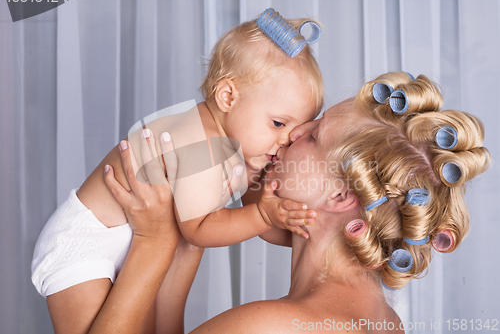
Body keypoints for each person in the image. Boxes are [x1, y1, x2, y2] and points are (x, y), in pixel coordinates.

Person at [102, 71, 489, 333]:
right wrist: (186, 242)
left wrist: (153, 244)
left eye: (314, 136)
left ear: (340, 196)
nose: (292, 133)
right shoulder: (387, 322)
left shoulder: (269, 325)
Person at [31, 9, 324, 332]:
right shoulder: (202, 143)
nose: (285, 140)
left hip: (140, 240)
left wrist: (301, 226)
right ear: (227, 96)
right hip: (86, 242)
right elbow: (198, 229)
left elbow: (257, 217)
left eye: (298, 129)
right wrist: (266, 215)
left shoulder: (247, 148)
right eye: (278, 123)